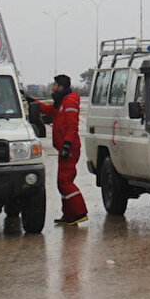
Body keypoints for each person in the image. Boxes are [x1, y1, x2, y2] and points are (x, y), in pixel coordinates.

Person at [35, 74, 88, 225]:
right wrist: (34, 103)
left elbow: (72, 126)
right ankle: (69, 215)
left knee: (65, 181)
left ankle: (79, 212)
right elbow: (50, 110)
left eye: (55, 85)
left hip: (69, 148)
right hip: (64, 148)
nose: (53, 88)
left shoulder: (69, 101)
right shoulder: (62, 102)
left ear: (61, 86)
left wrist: (66, 145)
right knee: (62, 181)